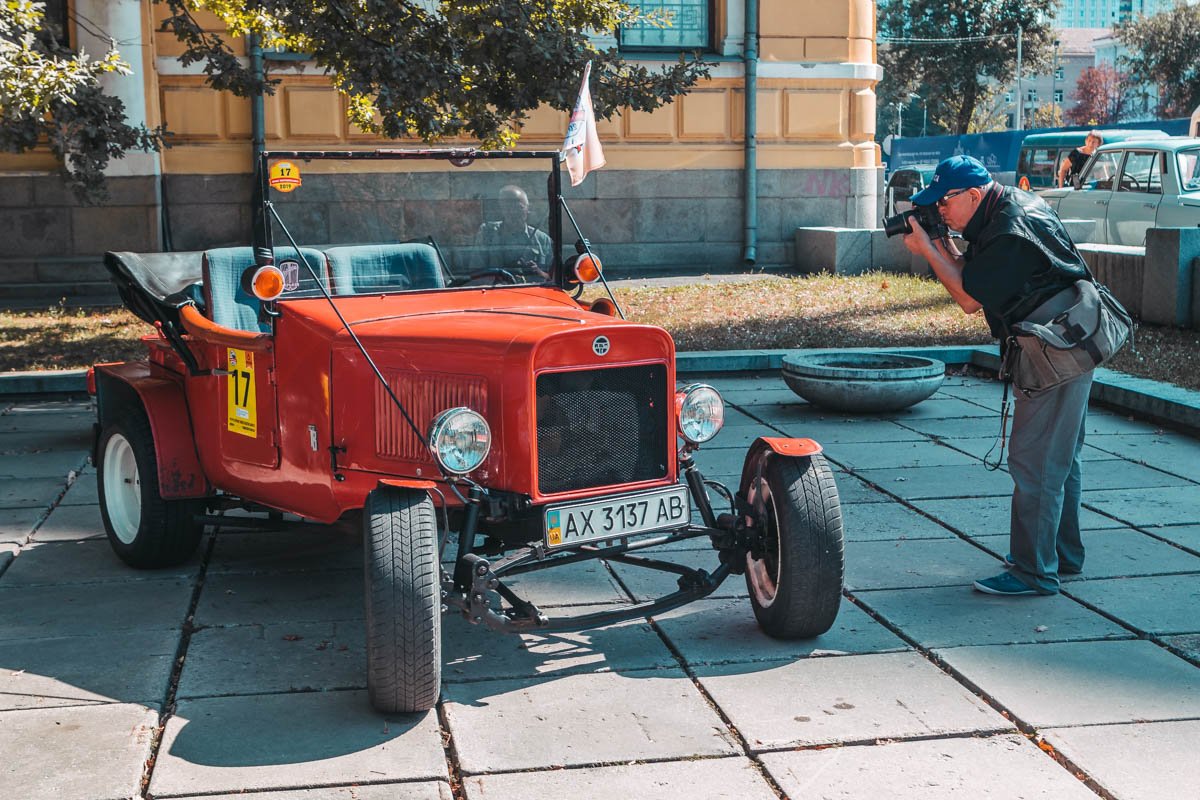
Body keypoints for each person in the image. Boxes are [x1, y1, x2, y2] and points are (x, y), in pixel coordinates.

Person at [902, 155, 1092, 597]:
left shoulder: (1007, 229)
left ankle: (1033, 572)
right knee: (1061, 458)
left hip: (1056, 350)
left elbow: (969, 298)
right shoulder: (1010, 208)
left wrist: (929, 249)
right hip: (1070, 339)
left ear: (973, 194)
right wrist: (944, 240)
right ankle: (1061, 555)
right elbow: (975, 274)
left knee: (1034, 460)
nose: (941, 210)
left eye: (945, 201)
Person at [472, 185, 553, 281]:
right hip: (495, 293)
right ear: (501, 210)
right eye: (508, 208)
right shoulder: (487, 234)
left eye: (519, 208)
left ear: (528, 209)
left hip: (533, 292)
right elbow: (475, 273)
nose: (513, 212)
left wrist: (538, 272)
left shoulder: (543, 240)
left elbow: (553, 279)